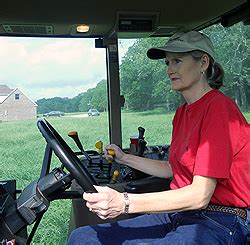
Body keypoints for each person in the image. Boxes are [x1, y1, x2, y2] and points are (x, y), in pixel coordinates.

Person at [68, 31, 249, 244]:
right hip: (182, 214)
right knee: (83, 237)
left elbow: (200, 195)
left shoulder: (219, 108)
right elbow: (174, 168)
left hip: (221, 218)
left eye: (177, 61)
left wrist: (123, 202)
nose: (170, 69)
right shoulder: (182, 113)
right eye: (167, 63)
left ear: (203, 63)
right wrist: (124, 157)